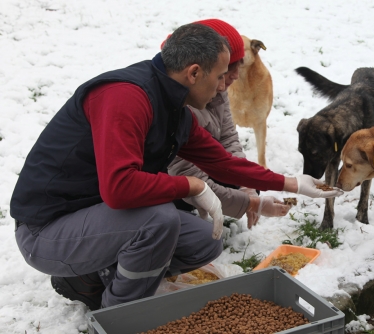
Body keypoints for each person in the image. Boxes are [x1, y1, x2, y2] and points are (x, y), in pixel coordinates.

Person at [10, 22, 342, 310]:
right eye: (220, 76)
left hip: (96, 218)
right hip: (46, 231)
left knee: (205, 241)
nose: (223, 87)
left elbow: (222, 162)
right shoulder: (127, 97)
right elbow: (118, 187)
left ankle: (99, 278)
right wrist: (192, 186)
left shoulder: (174, 107)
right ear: (194, 72)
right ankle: (119, 314)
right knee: (159, 219)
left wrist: (291, 183)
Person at [167, 19, 279, 229]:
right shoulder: (178, 101)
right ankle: (185, 219)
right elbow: (186, 171)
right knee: (202, 241)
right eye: (229, 69)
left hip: (206, 166)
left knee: (252, 180)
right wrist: (246, 202)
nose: (235, 76)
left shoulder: (218, 86)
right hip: (177, 181)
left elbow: (228, 137)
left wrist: (246, 185)